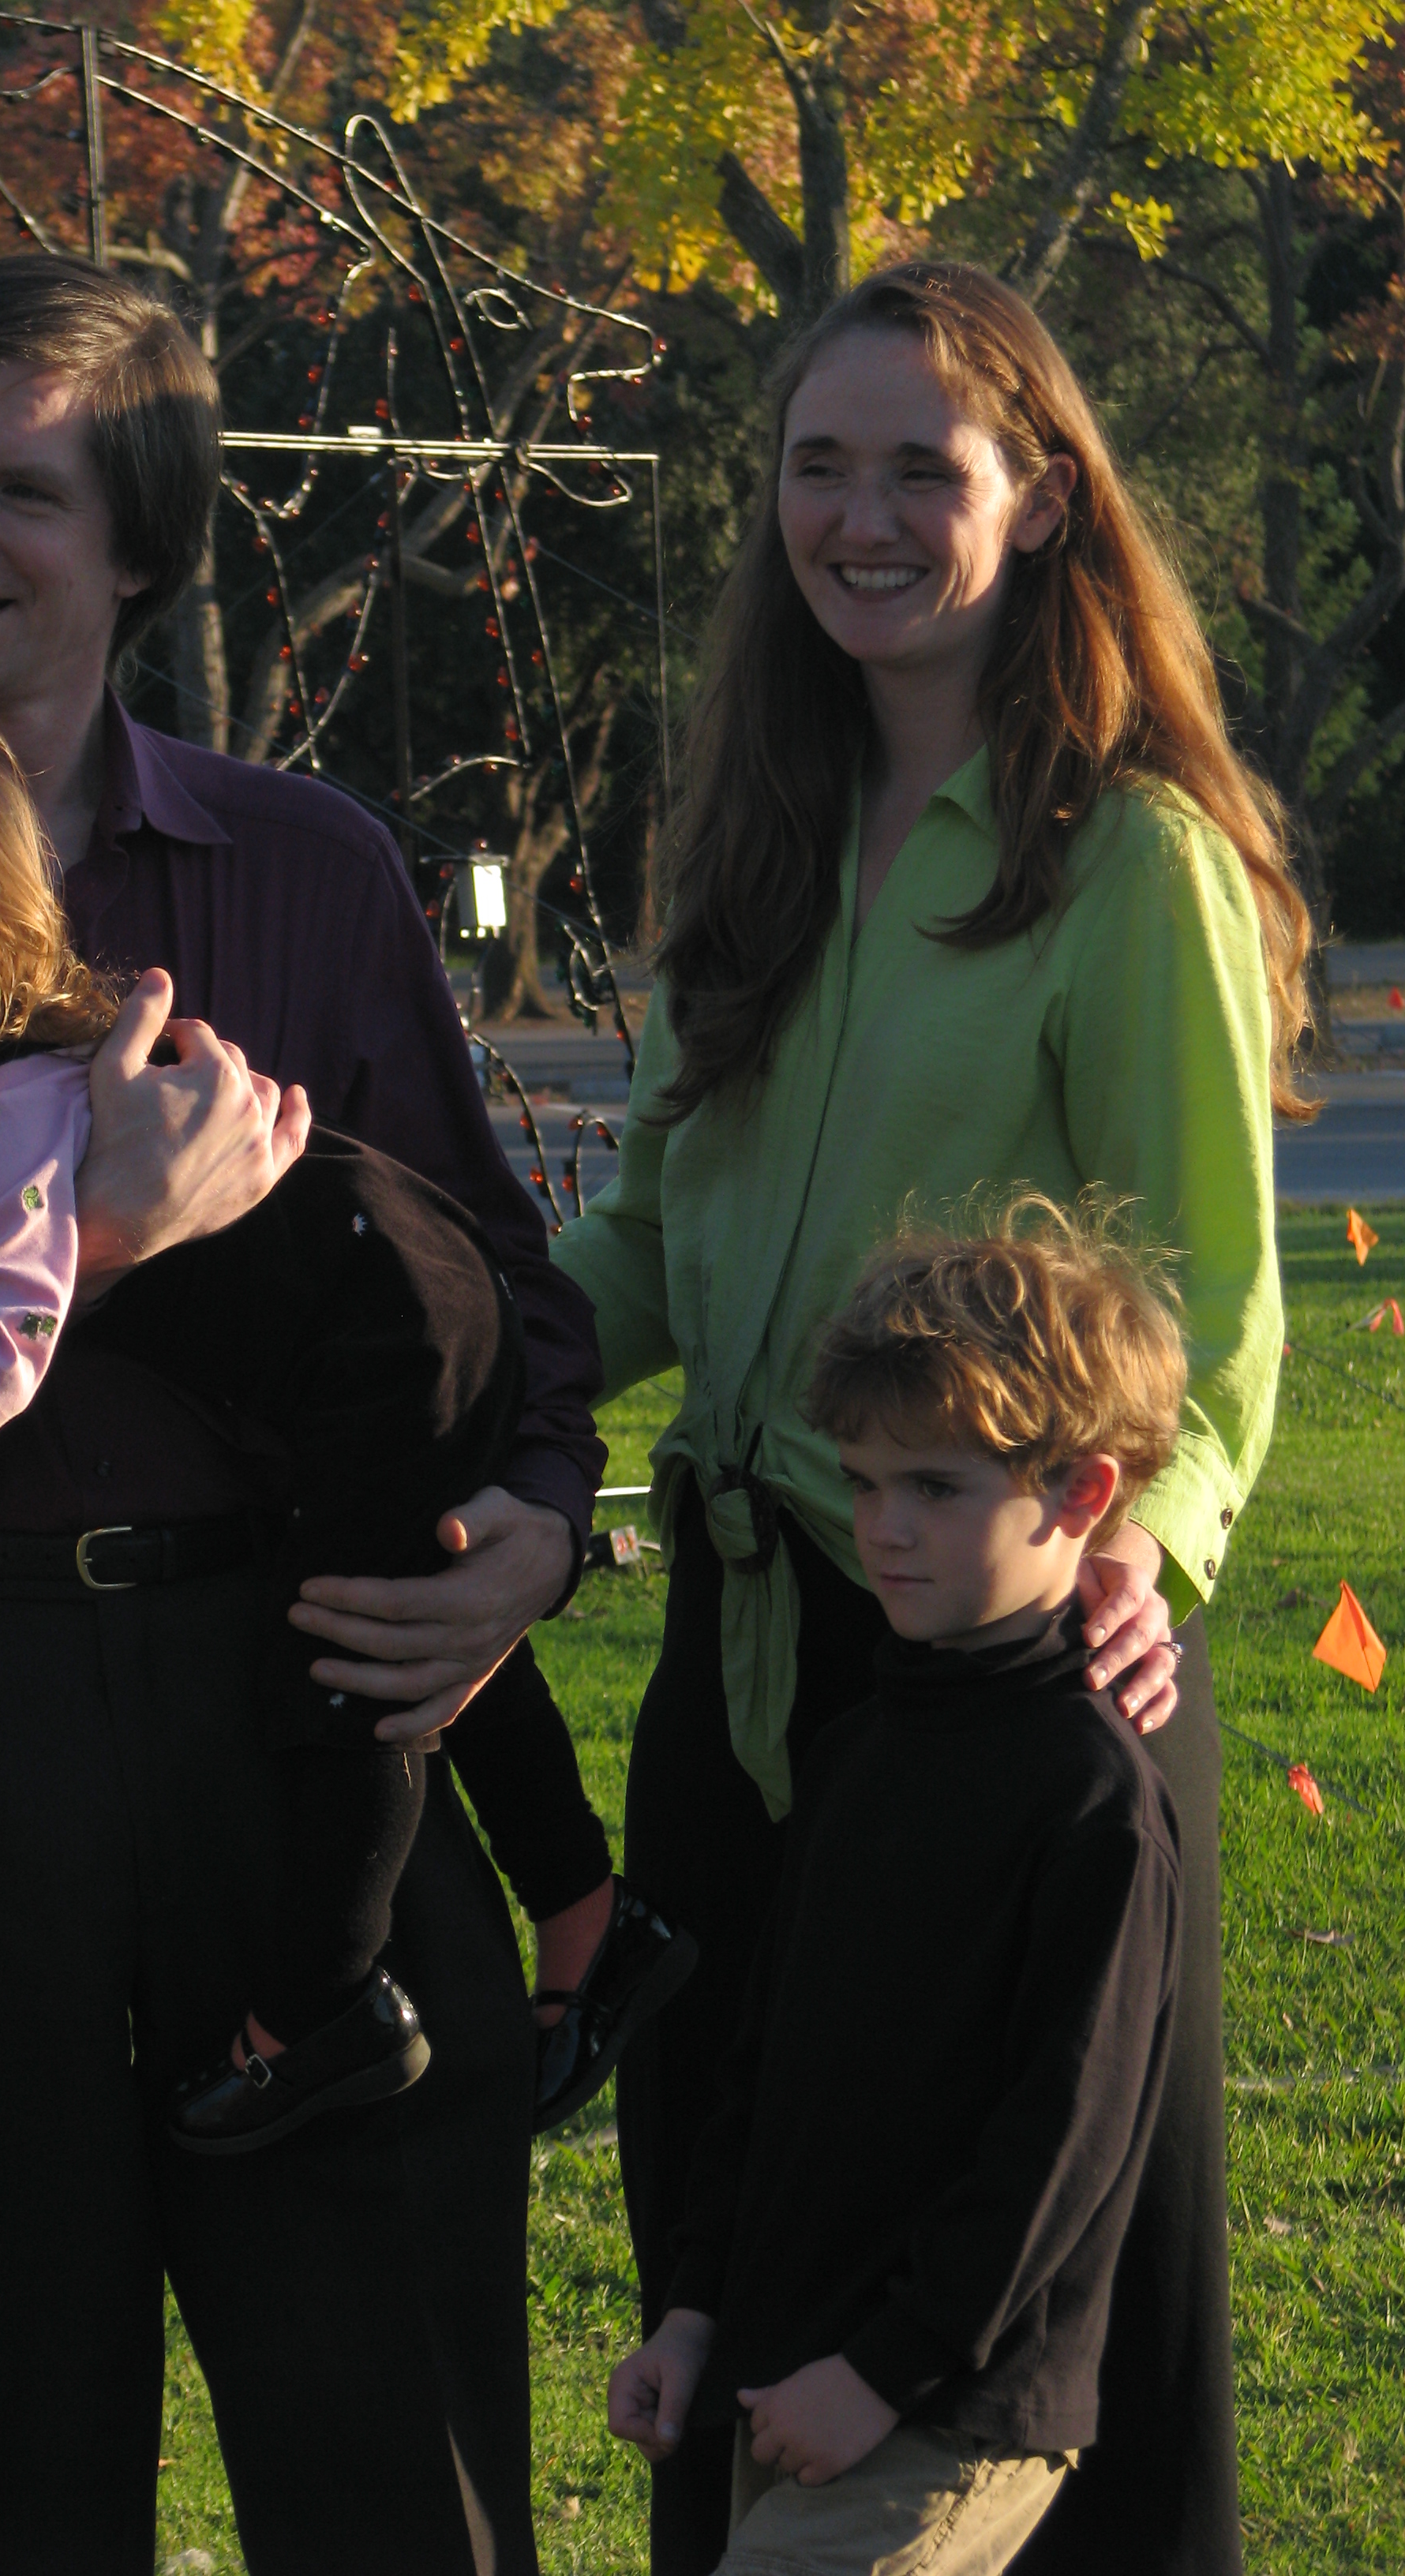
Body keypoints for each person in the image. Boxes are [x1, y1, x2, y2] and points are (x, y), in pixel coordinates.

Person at [0, 253, 614, 2574]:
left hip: (303, 1691)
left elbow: (498, 1286)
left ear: (143, 547)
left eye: (26, 493)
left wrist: (543, 1530)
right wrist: (118, 1249)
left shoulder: (309, 873)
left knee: (402, 2465)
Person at [539, 261, 1307, 2576]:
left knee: (1011, 2288)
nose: (859, 520)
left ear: (1041, 495)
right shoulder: (750, 842)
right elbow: (653, 1243)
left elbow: (1213, 1301)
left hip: (1010, 1661)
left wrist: (1143, 1543)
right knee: (745, 2256)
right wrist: (453, 1377)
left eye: (920, 469)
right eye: (816, 467)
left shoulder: (1129, 859)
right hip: (749, 1656)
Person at [0, 734, 689, 2154]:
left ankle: (324, 2009)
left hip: (394, 1332)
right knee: (422, 1607)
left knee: (357, 1655)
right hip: (337, 1336)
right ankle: (593, 1914)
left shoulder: (3, 1119)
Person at [608, 1206, 1184, 2575]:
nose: (886, 1529)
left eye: (935, 1488)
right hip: (788, 2365)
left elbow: (1064, 2142)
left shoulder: (1091, 1796)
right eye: (865, 1485)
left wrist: (887, 2370)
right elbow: (766, 2069)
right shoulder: (859, 1749)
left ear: (1082, 1494)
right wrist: (694, 2310)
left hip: (941, 2405)